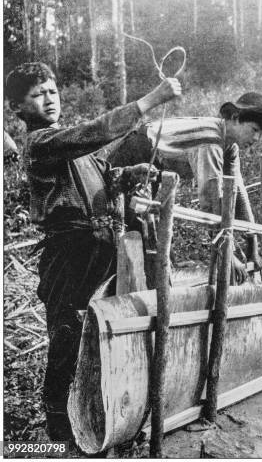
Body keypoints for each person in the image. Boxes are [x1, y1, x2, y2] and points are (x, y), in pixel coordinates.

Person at [5, 62, 181, 442]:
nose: (48, 99)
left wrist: (131, 174)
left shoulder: (80, 150)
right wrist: (151, 100)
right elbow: (91, 133)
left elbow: (106, 178)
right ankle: (59, 426)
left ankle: (96, 409)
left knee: (101, 327)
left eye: (52, 91)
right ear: (18, 109)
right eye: (37, 95)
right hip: (69, 252)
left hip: (101, 246)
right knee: (68, 332)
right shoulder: (41, 143)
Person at [156, 92, 262, 272]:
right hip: (137, 154)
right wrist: (227, 254)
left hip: (157, 172)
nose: (256, 139)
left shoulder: (230, 145)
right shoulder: (210, 139)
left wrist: (252, 240)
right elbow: (210, 198)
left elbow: (237, 191)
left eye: (260, 134)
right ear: (235, 118)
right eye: (254, 130)